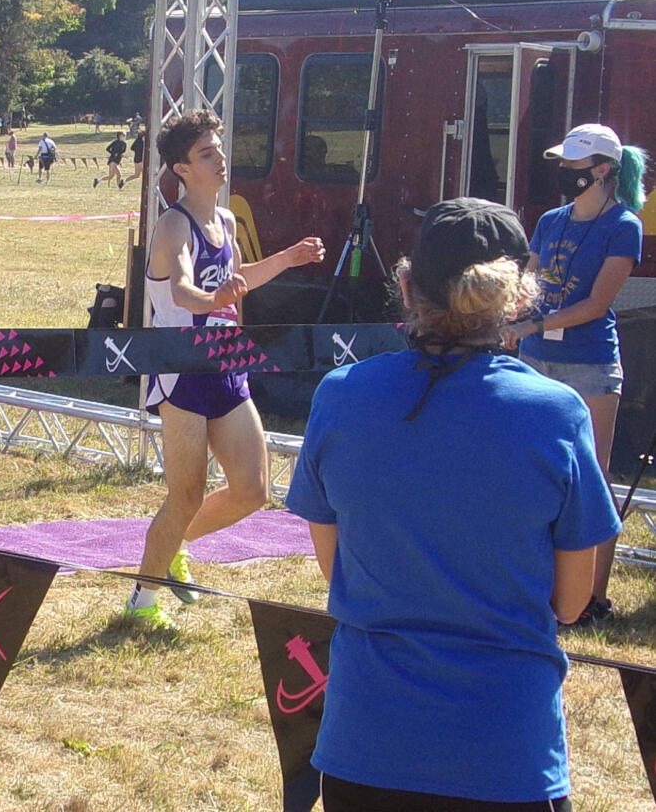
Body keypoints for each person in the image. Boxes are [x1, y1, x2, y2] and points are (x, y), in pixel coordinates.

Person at [288, 197, 619, 810]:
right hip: (505, 753)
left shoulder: (341, 396)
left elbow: (339, 571)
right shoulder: (557, 414)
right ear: (518, 298)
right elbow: (572, 603)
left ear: (407, 286)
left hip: (366, 746)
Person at [124, 108, 324, 630]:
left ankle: (176, 546)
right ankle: (142, 601)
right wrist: (215, 298)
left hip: (227, 366)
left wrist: (289, 258)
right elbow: (184, 289)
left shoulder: (227, 219)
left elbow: (237, 278)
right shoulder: (173, 223)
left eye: (219, 149)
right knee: (185, 492)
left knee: (253, 491)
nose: (220, 160)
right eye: (207, 154)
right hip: (182, 369)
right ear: (182, 169)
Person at [501, 123, 647, 626]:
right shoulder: (550, 219)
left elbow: (598, 302)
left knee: (592, 476)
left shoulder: (623, 225)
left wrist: (535, 322)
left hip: (589, 363)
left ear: (602, 170)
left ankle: (593, 600)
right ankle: (538, 584)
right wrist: (512, 316)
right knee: (530, 468)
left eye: (573, 167)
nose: (563, 174)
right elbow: (531, 281)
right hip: (536, 355)